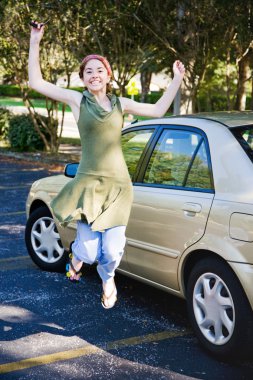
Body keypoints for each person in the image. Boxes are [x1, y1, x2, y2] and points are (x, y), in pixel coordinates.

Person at [28, 22, 185, 309]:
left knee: (112, 251)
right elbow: (36, 83)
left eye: (99, 70)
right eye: (88, 71)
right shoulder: (77, 101)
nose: (94, 75)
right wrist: (35, 41)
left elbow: (157, 110)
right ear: (83, 79)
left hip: (119, 188)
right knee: (88, 251)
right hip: (90, 186)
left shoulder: (120, 104)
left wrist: (176, 79)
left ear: (108, 76)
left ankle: (108, 278)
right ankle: (76, 258)